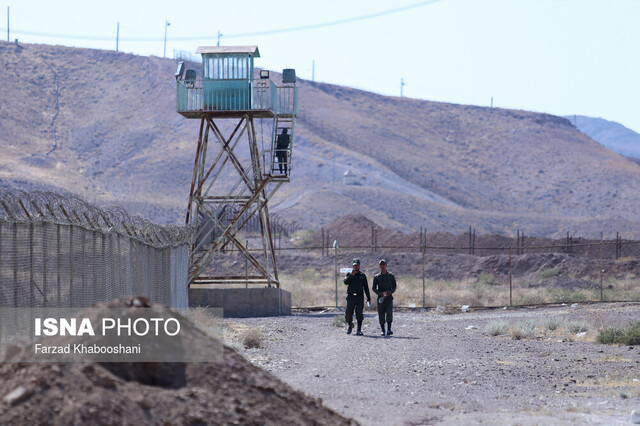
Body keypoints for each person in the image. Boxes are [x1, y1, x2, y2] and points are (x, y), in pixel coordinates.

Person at [343, 258, 371, 336]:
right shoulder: (349, 274)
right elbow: (345, 282)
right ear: (353, 265)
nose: (356, 267)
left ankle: (359, 330)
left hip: (359, 297)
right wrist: (351, 275)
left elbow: (366, 287)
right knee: (348, 313)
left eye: (357, 265)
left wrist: (368, 298)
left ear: (359, 266)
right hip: (351, 296)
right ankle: (350, 325)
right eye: (355, 265)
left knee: (359, 313)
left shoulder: (362, 275)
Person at [372, 259, 397, 336]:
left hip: (389, 298)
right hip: (381, 298)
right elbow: (373, 288)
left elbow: (394, 286)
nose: (383, 266)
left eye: (384, 265)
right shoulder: (377, 277)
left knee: (389, 313)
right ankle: (383, 330)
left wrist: (390, 292)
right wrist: (380, 293)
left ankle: (389, 329)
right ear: (379, 266)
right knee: (381, 314)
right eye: (381, 265)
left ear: (386, 265)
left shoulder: (391, 276)